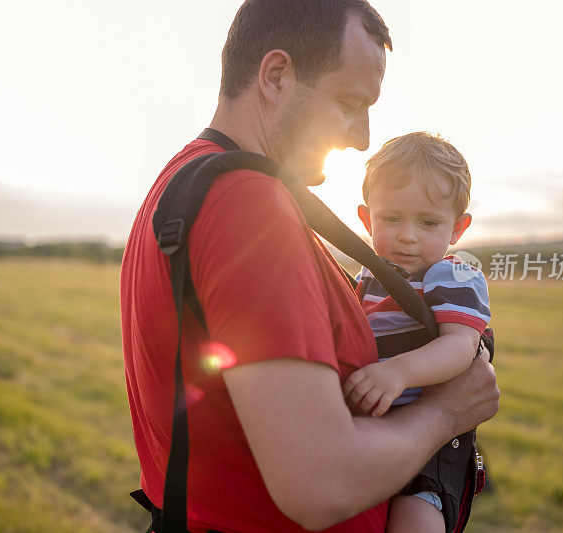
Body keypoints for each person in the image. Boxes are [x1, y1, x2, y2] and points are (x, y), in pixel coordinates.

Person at [120, 1, 499, 532]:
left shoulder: (187, 178)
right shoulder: (247, 203)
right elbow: (319, 483)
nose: (362, 137)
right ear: (275, 76)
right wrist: (448, 413)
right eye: (350, 102)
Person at [343, 132, 491, 532]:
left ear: (457, 229)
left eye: (428, 223)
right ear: (365, 218)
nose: (408, 235)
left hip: (429, 441)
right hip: (374, 431)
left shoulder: (452, 274)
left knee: (414, 519)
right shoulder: (367, 278)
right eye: (391, 218)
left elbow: (461, 346)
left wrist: (398, 372)